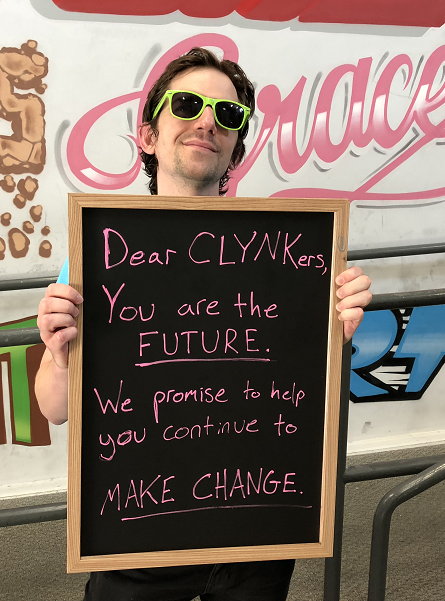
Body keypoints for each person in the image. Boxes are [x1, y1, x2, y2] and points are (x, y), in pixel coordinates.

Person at [36, 47, 372, 601]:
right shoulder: (95, 250)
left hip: (256, 537)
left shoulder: (289, 257)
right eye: (188, 104)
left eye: (229, 115)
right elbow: (54, 407)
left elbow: (306, 399)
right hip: (137, 534)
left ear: (237, 144)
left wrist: (330, 339)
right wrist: (57, 352)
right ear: (147, 135)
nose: (208, 122)